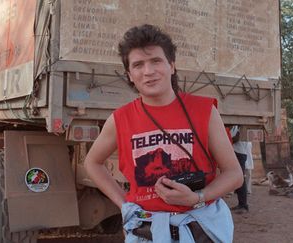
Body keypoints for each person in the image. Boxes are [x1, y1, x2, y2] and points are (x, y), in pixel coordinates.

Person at [84, 24, 243, 242]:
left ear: (172, 65)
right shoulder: (120, 119)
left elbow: (234, 174)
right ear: (130, 75)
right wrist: (125, 205)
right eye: (138, 65)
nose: (148, 71)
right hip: (146, 230)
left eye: (156, 61)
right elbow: (92, 163)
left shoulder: (205, 111)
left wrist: (197, 198)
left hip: (199, 227)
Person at [230, 126, 250, 213]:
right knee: (238, 178)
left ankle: (243, 205)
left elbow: (236, 138)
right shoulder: (236, 127)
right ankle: (241, 204)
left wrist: (226, 139)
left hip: (239, 153)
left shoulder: (242, 128)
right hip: (238, 153)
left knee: (241, 179)